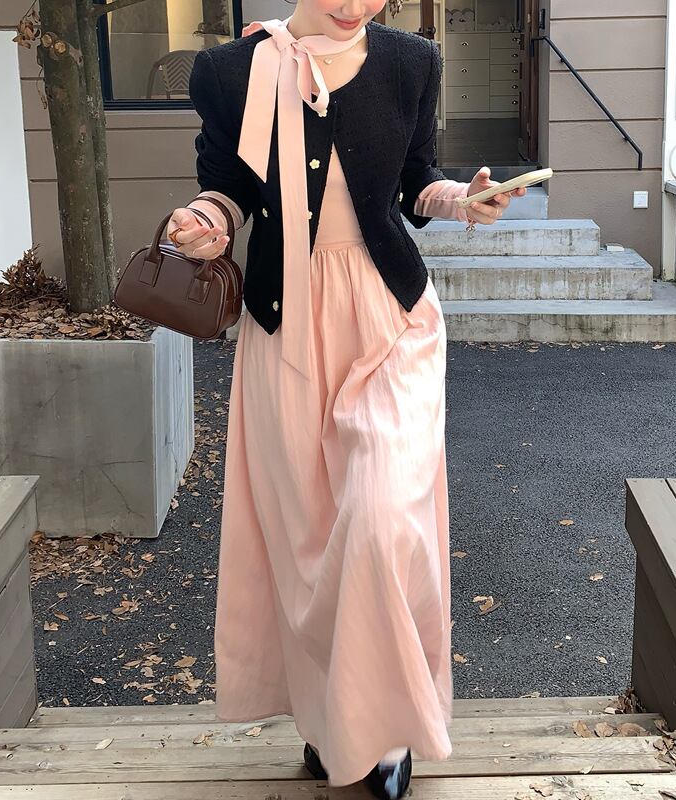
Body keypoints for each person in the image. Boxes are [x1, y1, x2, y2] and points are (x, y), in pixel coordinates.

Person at [165, 3, 525, 797]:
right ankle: (334, 725)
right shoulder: (229, 71)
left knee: (380, 517)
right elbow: (225, 189)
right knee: (310, 538)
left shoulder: (411, 61)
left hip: (389, 319)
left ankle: (386, 731)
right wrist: (202, 223)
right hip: (287, 325)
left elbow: (416, 180)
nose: (358, 5)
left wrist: (460, 200)